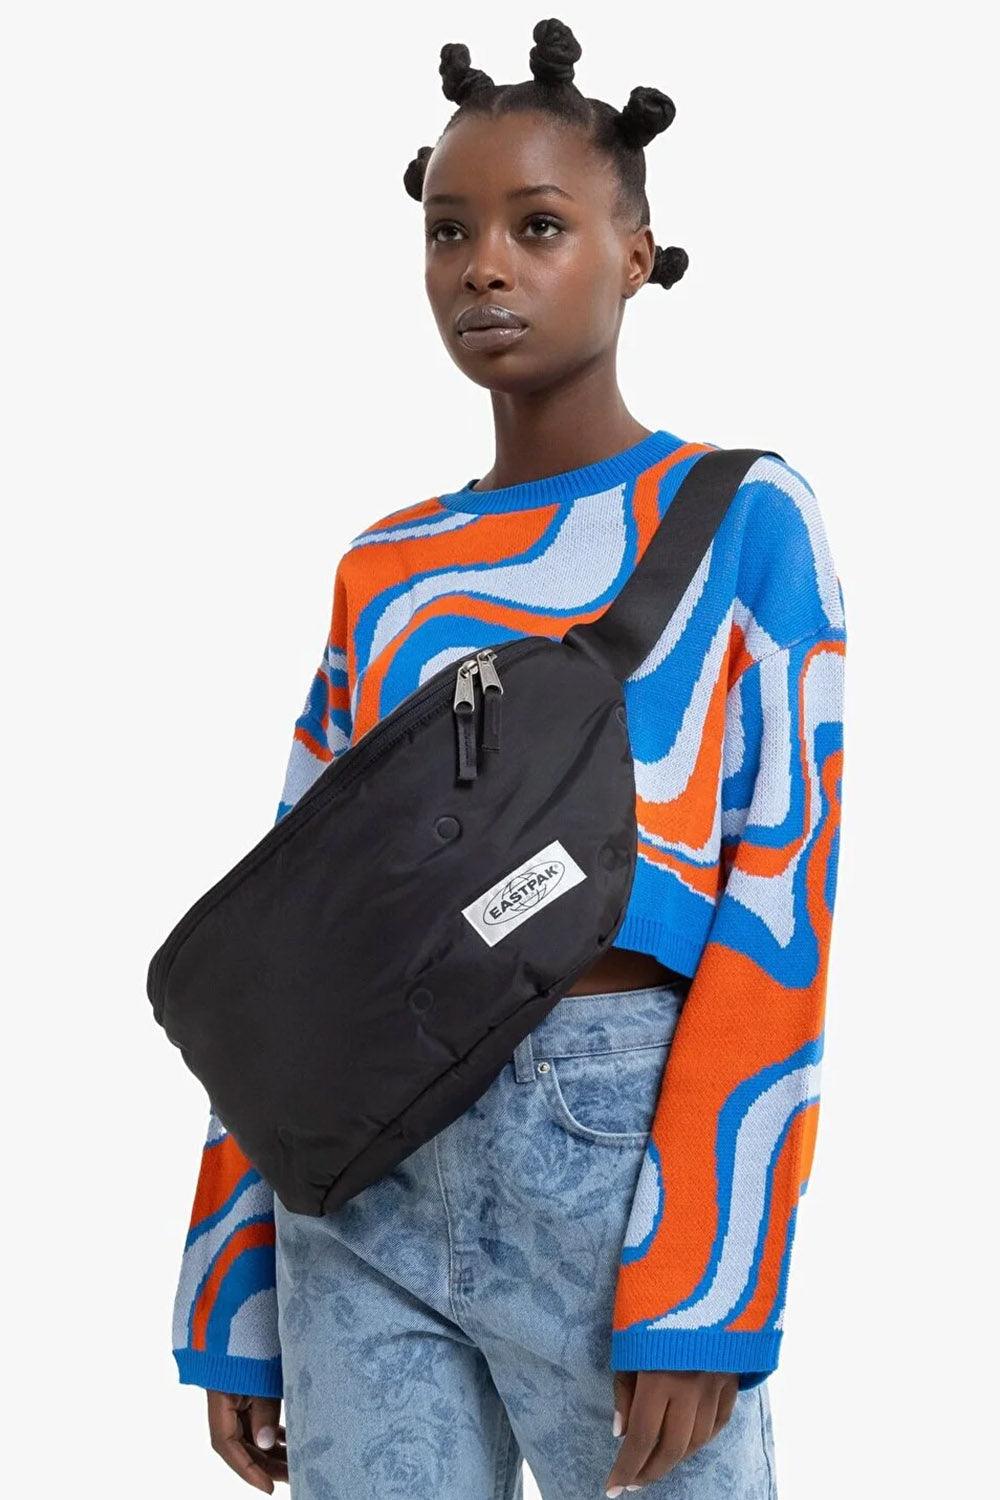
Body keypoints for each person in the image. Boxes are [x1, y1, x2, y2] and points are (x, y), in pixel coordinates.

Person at [168, 19, 845, 1498]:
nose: (485, 267)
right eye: (449, 231)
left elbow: (781, 906)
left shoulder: (746, 520)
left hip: (613, 1152)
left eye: (539, 226)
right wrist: (233, 1288)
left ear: (636, 255)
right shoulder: (386, 567)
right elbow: (294, 938)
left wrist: (712, 1281)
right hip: (357, 1192)